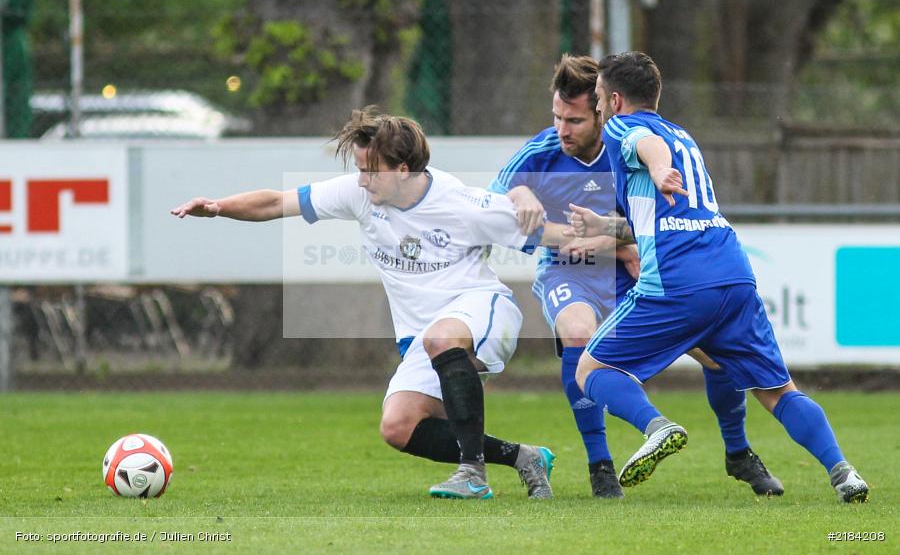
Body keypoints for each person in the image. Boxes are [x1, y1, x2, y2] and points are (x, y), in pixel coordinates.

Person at [171, 108, 570, 500]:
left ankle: (471, 474)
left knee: (442, 337)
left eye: (370, 170)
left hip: (484, 310)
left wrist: (625, 237)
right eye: (359, 169)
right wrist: (219, 208)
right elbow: (277, 202)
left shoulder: (463, 203)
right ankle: (524, 457)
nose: (361, 181)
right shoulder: (360, 195)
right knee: (399, 427)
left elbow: (555, 235)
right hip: (424, 338)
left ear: (403, 169)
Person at [570, 51, 868, 503]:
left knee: (591, 368)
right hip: (733, 273)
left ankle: (657, 426)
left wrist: (655, 166)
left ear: (614, 99)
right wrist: (605, 226)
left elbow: (649, 149)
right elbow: (661, 215)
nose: (596, 107)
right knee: (776, 389)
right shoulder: (684, 136)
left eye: (596, 99)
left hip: (676, 280)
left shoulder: (622, 127)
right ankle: (843, 471)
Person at [489, 54, 783, 498]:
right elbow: (499, 200)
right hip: (571, 269)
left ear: (604, 109)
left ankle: (738, 453)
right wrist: (521, 190)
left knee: (719, 357)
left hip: (636, 271)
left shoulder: (627, 144)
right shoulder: (544, 150)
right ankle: (600, 465)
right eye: (557, 117)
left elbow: (656, 221)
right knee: (577, 334)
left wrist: (613, 244)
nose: (562, 129)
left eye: (574, 119)